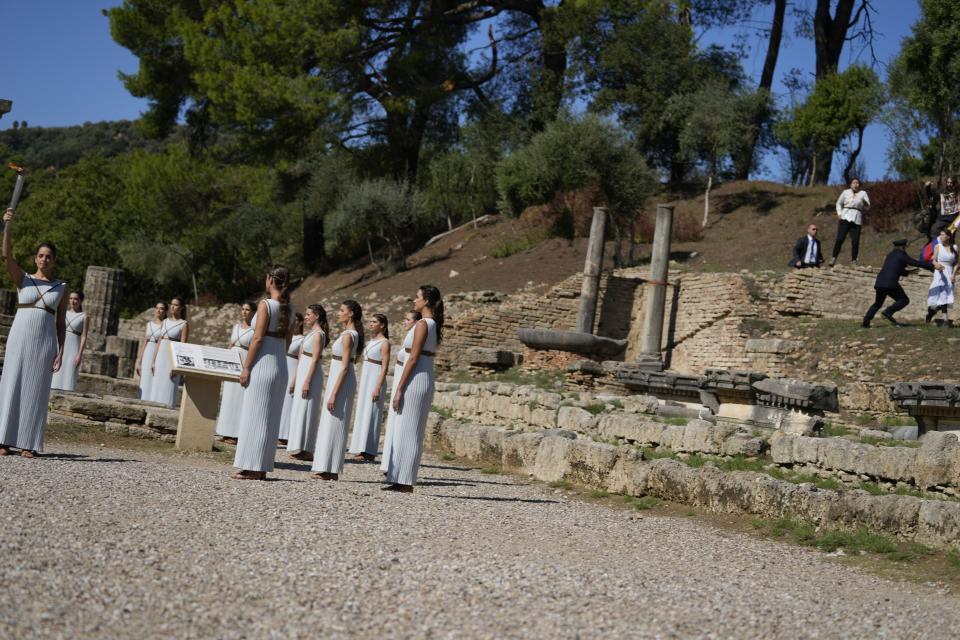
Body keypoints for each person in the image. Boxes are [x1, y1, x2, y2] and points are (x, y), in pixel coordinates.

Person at [0, 208, 67, 457]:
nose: (44, 259)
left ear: (54, 260)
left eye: (48, 256)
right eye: (40, 255)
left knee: (36, 389)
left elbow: (61, 322)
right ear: (35, 259)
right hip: (19, 337)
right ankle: (3, 440)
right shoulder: (24, 280)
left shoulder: (61, 287)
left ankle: (29, 443)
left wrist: (61, 350)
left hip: (44, 342)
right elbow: (6, 256)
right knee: (11, 383)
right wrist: (7, 226)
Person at [232, 265, 294, 480]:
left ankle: (251, 467)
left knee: (254, 415)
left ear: (269, 280)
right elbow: (287, 342)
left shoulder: (266, 304)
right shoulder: (291, 308)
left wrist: (246, 367)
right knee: (270, 419)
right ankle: (261, 467)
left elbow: (257, 339)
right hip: (280, 366)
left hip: (263, 364)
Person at [384, 286, 444, 493]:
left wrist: (399, 387)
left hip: (416, 380)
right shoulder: (431, 324)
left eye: (417, 297)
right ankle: (399, 477)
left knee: (409, 430)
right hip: (421, 377)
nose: (414, 300)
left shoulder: (423, 324)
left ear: (426, 301)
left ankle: (405, 480)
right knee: (405, 429)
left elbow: (413, 357)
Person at [311, 300, 362, 480]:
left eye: (342, 310)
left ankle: (329, 469)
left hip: (342, 380)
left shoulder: (349, 335)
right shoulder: (348, 333)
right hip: (338, 378)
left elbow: (346, 366)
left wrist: (333, 393)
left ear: (351, 314)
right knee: (331, 422)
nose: (338, 313)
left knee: (335, 423)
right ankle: (327, 467)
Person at [863, 239, 940, 328]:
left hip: (879, 282)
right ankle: (888, 312)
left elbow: (895, 269)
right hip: (890, 283)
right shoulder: (901, 255)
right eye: (905, 247)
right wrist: (932, 266)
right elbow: (916, 263)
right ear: (903, 247)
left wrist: (909, 273)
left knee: (877, 303)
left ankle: (866, 322)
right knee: (904, 300)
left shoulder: (890, 255)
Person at [380, 309, 421, 476]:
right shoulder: (408, 338)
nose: (404, 322)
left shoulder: (415, 337)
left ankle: (397, 466)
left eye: (407, 319)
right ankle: (389, 463)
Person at [286, 304, 328, 461]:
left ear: (317, 316)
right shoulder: (310, 334)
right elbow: (300, 358)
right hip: (303, 371)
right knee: (300, 408)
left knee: (308, 409)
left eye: (309, 314)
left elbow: (315, 358)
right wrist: (295, 380)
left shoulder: (319, 334)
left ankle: (308, 449)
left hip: (311, 374)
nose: (306, 317)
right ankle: (299, 446)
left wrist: (307, 381)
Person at [349, 313, 391, 461]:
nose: (371, 324)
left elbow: (385, 367)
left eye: (374, 322)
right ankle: (361, 448)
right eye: (371, 321)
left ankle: (369, 451)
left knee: (372, 413)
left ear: (383, 325)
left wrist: (378, 387)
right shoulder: (371, 341)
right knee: (363, 412)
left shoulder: (385, 343)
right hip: (366, 380)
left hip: (375, 380)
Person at [215, 302, 254, 445]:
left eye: (247, 310)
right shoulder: (236, 327)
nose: (244, 312)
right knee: (228, 398)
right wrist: (225, 361)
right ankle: (224, 431)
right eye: (243, 309)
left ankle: (235, 434)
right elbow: (230, 345)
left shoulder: (254, 330)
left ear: (253, 312)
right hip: (232, 361)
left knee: (238, 399)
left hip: (243, 362)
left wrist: (247, 368)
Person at [149, 296, 189, 408]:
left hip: (171, 359)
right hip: (160, 358)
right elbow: (159, 343)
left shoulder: (183, 324)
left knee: (168, 385)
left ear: (181, 308)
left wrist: (176, 367)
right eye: (171, 304)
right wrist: (153, 361)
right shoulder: (165, 321)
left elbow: (182, 347)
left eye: (176, 305)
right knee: (156, 385)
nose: (172, 306)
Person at [51, 291, 88, 391]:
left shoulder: (84, 316)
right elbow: (56, 329)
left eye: (75, 299)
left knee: (69, 372)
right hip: (61, 344)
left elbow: (84, 336)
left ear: (80, 301)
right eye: (71, 298)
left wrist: (79, 354)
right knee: (56, 371)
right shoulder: (63, 313)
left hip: (73, 348)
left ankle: (68, 392)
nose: (73, 301)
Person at [277, 312, 304, 445]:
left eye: (296, 321)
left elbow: (301, 361)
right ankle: (277, 430)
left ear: (300, 323)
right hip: (282, 366)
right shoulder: (286, 336)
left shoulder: (302, 339)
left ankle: (286, 434)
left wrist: (294, 379)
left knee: (288, 402)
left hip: (293, 369)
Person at [831, 177, 871, 267]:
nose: (855, 185)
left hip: (857, 218)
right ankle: (834, 257)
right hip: (845, 216)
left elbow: (868, 205)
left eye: (857, 183)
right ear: (850, 184)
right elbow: (838, 203)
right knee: (840, 238)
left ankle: (854, 260)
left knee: (855, 240)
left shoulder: (863, 193)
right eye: (853, 183)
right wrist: (839, 213)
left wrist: (865, 203)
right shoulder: (846, 192)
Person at [135, 302, 167, 401]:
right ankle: (142, 399)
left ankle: (153, 400)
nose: (158, 310)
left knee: (154, 376)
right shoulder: (149, 324)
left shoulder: (166, 325)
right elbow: (145, 342)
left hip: (158, 352)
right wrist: (139, 360)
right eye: (157, 308)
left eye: (161, 308)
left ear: (165, 311)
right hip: (148, 351)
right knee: (145, 377)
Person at [926, 229, 958, 326]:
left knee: (946, 296)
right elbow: (933, 260)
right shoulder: (938, 247)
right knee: (940, 295)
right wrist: (936, 264)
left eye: (943, 235)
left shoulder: (955, 247)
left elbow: (957, 263)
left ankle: (932, 314)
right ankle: (945, 320)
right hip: (939, 272)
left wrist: (953, 274)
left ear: (948, 236)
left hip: (949, 272)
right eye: (940, 235)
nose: (940, 237)